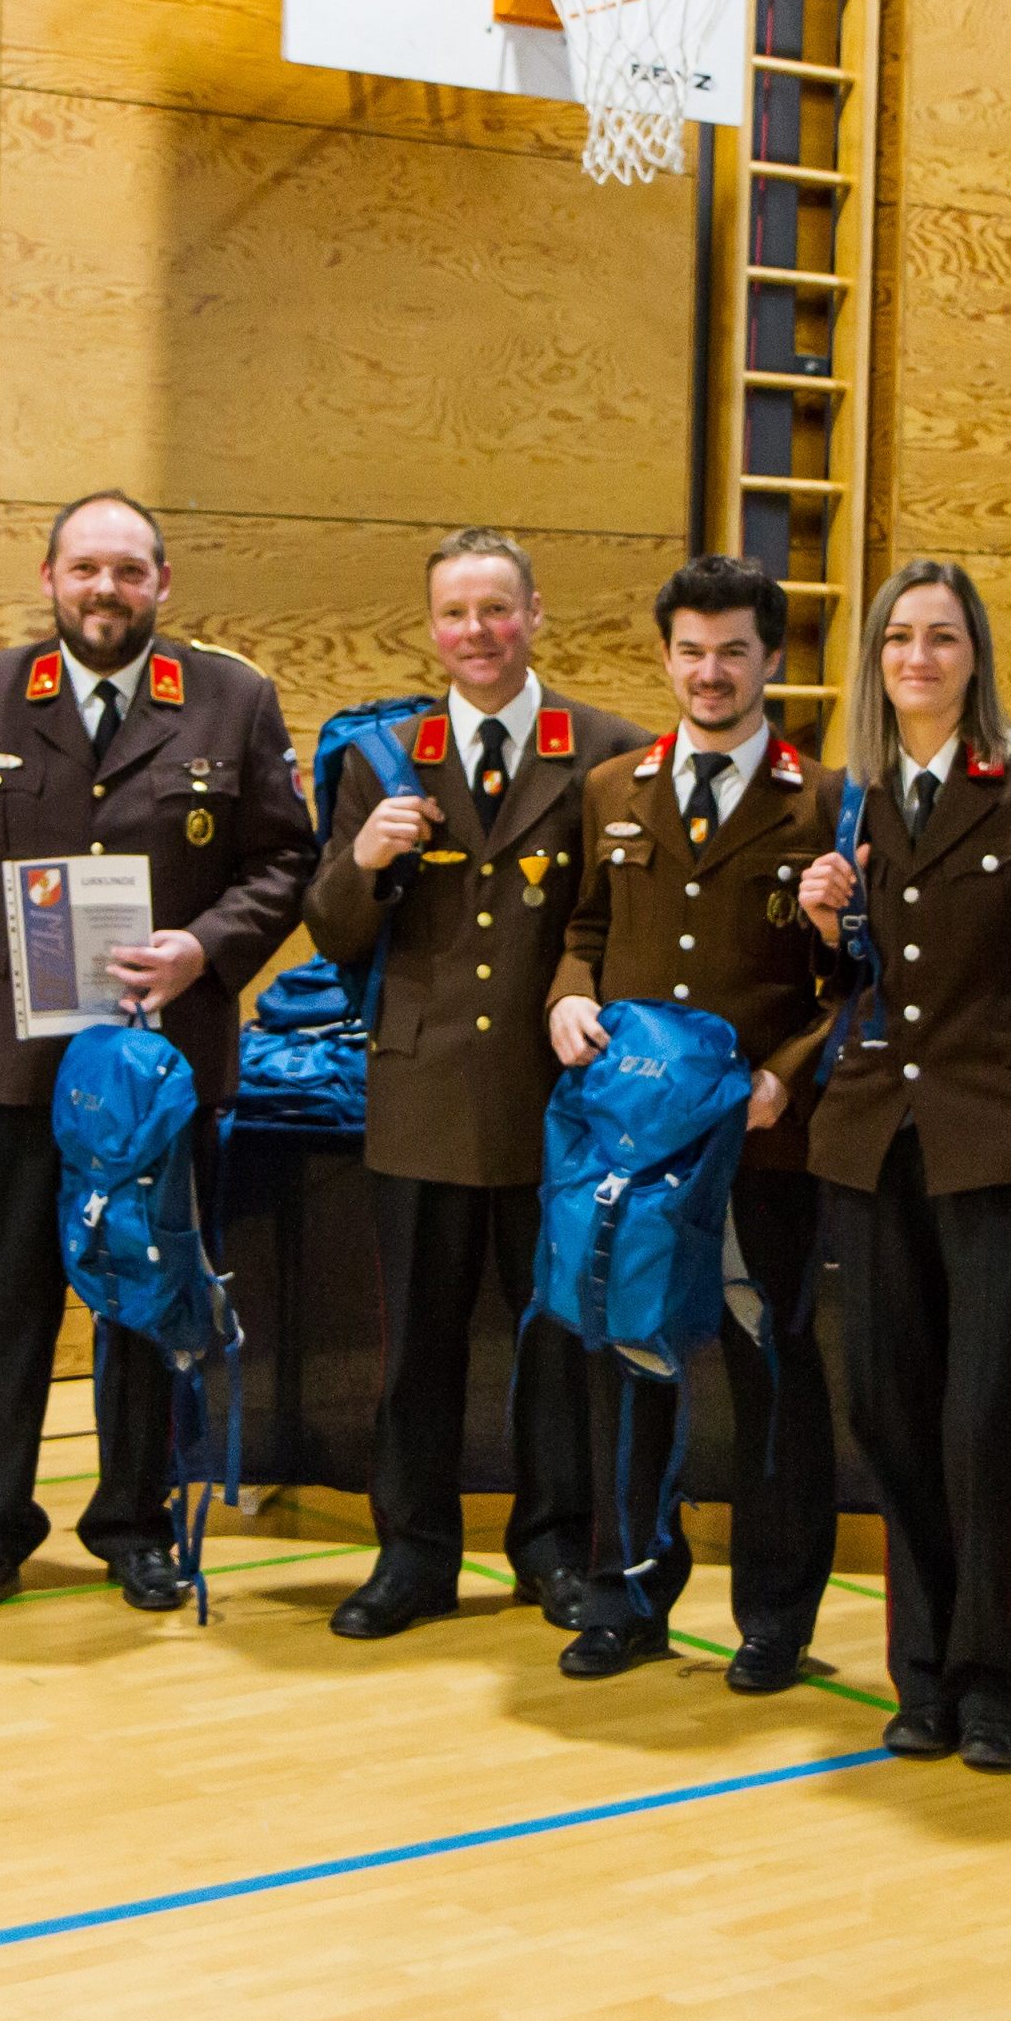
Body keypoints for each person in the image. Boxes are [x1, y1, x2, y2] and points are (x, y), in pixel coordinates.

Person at [0, 491, 314, 1616]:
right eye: (86, 568)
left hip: (158, 1073)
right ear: (48, 577)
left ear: (162, 586)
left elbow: (285, 863)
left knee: (145, 1301)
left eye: (130, 571)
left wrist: (205, 947)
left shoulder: (232, 700)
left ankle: (131, 1520)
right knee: (9, 1305)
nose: (106, 590)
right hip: (14, 1071)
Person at [796, 560, 1011, 1773]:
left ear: (976, 654)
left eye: (942, 638)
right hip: (878, 1137)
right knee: (888, 1409)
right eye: (898, 639)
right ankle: (921, 1673)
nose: (918, 659)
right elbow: (851, 981)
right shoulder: (853, 798)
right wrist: (824, 919)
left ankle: (991, 1677)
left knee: (987, 1416)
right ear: (874, 660)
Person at [304, 529, 644, 1640]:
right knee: (419, 1348)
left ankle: (553, 1545)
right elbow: (330, 930)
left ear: (536, 614)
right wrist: (365, 862)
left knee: (556, 1341)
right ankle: (413, 1554)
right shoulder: (384, 758)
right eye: (454, 615)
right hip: (423, 1093)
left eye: (496, 610)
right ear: (431, 628)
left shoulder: (605, 753)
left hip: (554, 1102)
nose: (476, 633)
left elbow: (616, 927)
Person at [545, 554, 839, 1688]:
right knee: (628, 1364)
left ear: (771, 658)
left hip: (759, 1146)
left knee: (771, 1374)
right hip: (630, 1142)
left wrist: (786, 1075)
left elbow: (847, 979)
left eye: (732, 651)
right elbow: (580, 926)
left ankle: (774, 1617)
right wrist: (568, 994)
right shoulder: (612, 787)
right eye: (689, 650)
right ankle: (624, 1597)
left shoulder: (823, 801)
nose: (709, 672)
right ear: (664, 656)